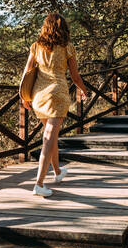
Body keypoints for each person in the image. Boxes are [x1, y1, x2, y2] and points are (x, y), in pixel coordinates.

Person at [21, 13, 88, 197]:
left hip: (39, 97)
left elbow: (27, 73)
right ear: (63, 28)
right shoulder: (68, 48)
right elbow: (75, 77)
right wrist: (84, 89)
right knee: (49, 138)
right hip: (58, 95)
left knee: (51, 136)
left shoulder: (36, 47)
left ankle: (58, 172)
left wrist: (24, 96)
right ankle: (39, 183)